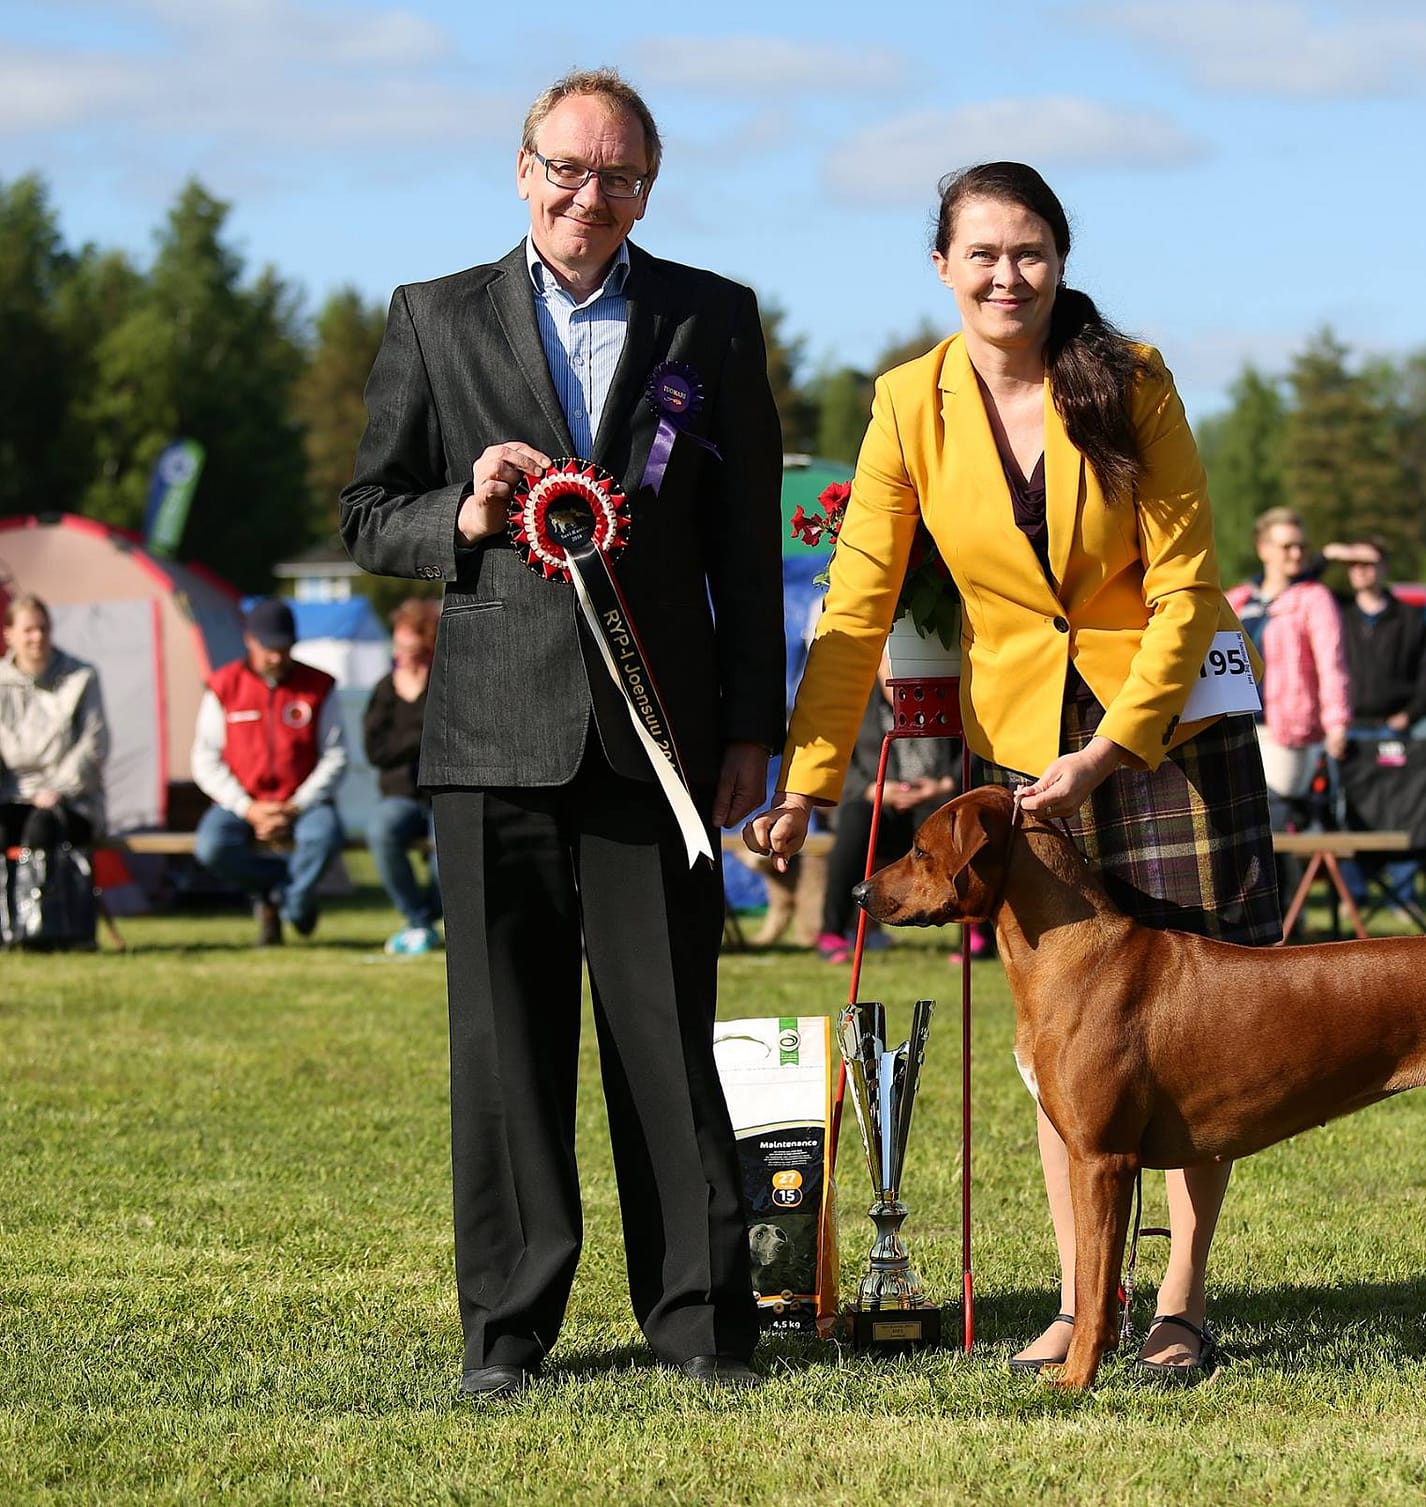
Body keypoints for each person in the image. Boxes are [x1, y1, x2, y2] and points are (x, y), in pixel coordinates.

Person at [746, 162, 1281, 1384]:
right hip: (1021, 743)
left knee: (1205, 1014)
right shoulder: (905, 403)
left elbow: (1189, 578)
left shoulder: (1130, 375)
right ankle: (1083, 1299)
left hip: (1163, 727)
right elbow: (857, 599)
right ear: (940, 266)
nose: (1006, 274)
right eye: (981, 253)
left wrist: (1113, 745)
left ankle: (1179, 1304)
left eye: (1029, 250)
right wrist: (810, 782)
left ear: (1060, 259)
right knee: (1065, 1028)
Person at [340, 68, 784, 1399]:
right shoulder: (431, 317)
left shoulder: (711, 317)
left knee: (665, 1036)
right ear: (521, 168)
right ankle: (510, 1326)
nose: (592, 197)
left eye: (622, 177)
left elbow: (743, 548)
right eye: (569, 170)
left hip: (657, 743)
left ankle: (701, 1316)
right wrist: (462, 517)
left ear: (650, 187)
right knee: (502, 1052)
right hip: (484, 742)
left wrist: (750, 726)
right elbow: (366, 512)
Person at [191, 598, 347, 946]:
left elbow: (335, 755)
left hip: (304, 803)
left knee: (323, 837)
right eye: (269, 649)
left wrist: (295, 805)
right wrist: (247, 807)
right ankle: (285, 891)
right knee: (212, 847)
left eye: (284, 648)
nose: (277, 657)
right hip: (242, 802)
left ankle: (290, 902)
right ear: (249, 640)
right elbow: (205, 759)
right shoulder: (224, 687)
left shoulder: (318, 687)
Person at [814, 665, 961, 965]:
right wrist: (873, 789)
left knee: (960, 825)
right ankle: (833, 931)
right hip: (879, 804)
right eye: (889, 665)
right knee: (856, 818)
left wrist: (944, 784)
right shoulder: (855, 702)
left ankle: (974, 933)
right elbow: (835, 760)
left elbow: (971, 749)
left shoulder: (948, 693)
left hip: (935, 802)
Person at [1225, 508, 1350, 820]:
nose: (1296, 554)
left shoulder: (1315, 598)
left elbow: (1332, 665)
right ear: (1263, 549)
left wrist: (1336, 724)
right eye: (1287, 547)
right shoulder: (1238, 600)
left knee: (1274, 816)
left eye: (1301, 547)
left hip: (1285, 731)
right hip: (1236, 724)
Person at [0, 595, 108, 944]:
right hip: (13, 794)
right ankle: (7, 927)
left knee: (43, 826)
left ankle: (47, 930)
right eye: (28, 630)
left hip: (73, 799)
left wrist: (59, 789)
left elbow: (94, 746)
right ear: (9, 635)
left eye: (43, 628)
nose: (37, 637)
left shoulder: (80, 678)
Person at [362, 598, 443, 955]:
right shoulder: (384, 690)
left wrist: (410, 743)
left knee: (447, 852)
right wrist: (421, 738)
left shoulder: (444, 681)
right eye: (398, 646)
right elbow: (376, 752)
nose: (403, 654)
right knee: (381, 831)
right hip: (400, 795)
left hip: (441, 793)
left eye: (411, 647)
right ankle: (416, 919)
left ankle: (434, 913)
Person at [1322, 538, 1426, 734]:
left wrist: (1410, 714)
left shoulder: (1408, 618)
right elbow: (1299, 583)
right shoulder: (1336, 611)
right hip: (1343, 727)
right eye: (1353, 564)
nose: (1360, 570)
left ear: (1384, 567)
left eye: (1367, 563)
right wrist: (1330, 555)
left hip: (1392, 727)